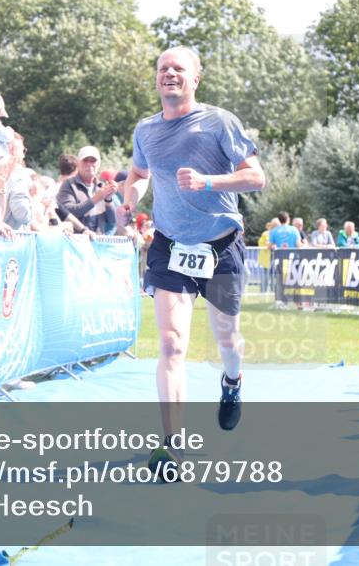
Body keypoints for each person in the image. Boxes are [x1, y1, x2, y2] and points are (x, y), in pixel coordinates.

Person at [115, 46, 265, 473]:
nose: (170, 74)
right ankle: (171, 444)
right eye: (163, 68)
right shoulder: (145, 130)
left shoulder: (218, 122)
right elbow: (139, 175)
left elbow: (256, 176)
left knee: (226, 340)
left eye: (179, 68)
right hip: (171, 244)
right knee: (171, 343)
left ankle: (232, 380)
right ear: (156, 78)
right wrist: (129, 200)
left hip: (220, 246)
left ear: (196, 78)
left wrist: (208, 181)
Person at [56, 145, 117, 234]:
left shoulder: (102, 186)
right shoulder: (69, 184)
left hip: (97, 241)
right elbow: (66, 212)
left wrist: (108, 200)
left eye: (93, 161)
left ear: (99, 163)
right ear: (78, 163)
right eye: (85, 160)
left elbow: (112, 221)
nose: (89, 164)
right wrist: (96, 199)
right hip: (75, 241)